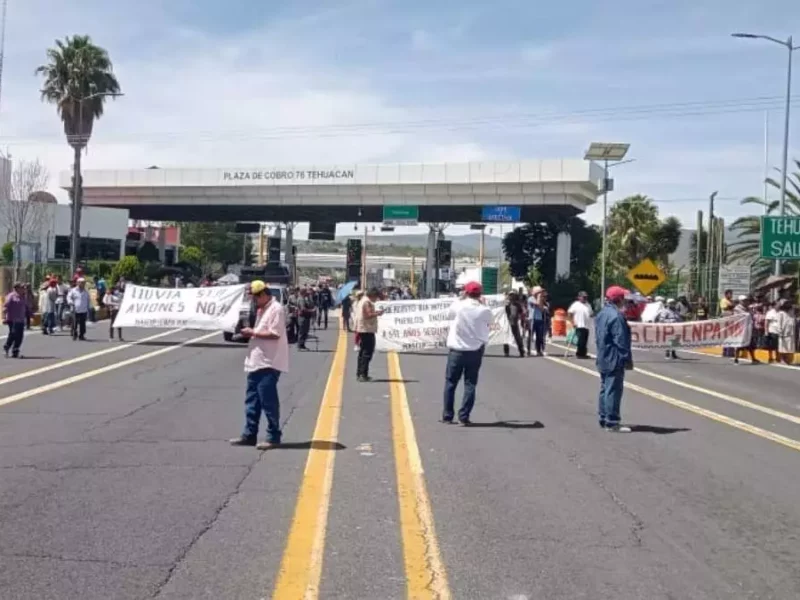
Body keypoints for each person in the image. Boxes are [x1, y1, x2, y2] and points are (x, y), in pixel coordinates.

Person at [230, 280, 289, 450]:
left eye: (255, 298)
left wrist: (253, 332)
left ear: (263, 294)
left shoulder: (276, 309)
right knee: (252, 401)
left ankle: (273, 436)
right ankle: (249, 434)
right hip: (256, 361)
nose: (253, 302)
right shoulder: (262, 309)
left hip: (269, 363)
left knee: (268, 402)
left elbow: (275, 334)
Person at [442, 281, 492, 425]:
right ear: (480, 294)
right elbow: (490, 320)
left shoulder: (459, 306)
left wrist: (460, 298)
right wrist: (483, 304)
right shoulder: (484, 310)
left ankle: (448, 415)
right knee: (470, 384)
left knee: (451, 383)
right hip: (475, 350)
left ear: (466, 292)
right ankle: (464, 416)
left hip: (457, 350)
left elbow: (448, 314)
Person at [595, 286, 634, 433]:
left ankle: (604, 417)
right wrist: (627, 359)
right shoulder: (616, 317)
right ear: (619, 299)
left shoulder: (602, 314)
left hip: (603, 356)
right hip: (614, 357)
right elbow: (621, 341)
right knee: (613, 390)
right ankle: (612, 422)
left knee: (605, 388)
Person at [355, 288, 383, 382]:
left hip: (364, 329)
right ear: (373, 295)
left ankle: (361, 373)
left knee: (362, 352)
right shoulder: (367, 302)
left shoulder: (362, 300)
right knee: (367, 352)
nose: (376, 300)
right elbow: (368, 315)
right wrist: (378, 313)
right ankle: (363, 374)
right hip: (366, 329)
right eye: (376, 297)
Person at [3, 282, 28, 358]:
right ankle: (7, 346)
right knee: (14, 334)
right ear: (16, 288)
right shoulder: (11, 296)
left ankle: (15, 351)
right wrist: (4, 317)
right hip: (12, 319)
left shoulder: (23, 296)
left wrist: (29, 314)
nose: (23, 289)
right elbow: (5, 307)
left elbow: (25, 307)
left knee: (20, 336)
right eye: (21, 288)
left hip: (21, 319)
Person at [568, 291, 593, 359]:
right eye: (583, 297)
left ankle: (583, 353)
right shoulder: (576, 304)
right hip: (579, 324)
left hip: (586, 325)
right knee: (581, 341)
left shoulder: (588, 305)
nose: (585, 298)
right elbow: (570, 313)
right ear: (579, 297)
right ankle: (579, 354)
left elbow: (591, 313)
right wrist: (573, 322)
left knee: (585, 340)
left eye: (586, 297)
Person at [733, 296, 759, 364]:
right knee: (739, 343)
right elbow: (738, 317)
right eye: (744, 300)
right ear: (740, 301)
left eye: (746, 300)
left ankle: (753, 358)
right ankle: (736, 358)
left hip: (749, 327)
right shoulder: (737, 309)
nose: (745, 302)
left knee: (750, 344)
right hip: (741, 328)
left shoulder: (748, 308)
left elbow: (752, 315)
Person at [527, 288, 550, 356]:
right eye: (539, 292)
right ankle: (528, 350)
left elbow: (542, 309)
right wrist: (539, 298)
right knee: (530, 335)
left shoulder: (541, 299)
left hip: (539, 319)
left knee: (539, 336)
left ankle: (539, 350)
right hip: (532, 318)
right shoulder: (531, 298)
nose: (541, 293)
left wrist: (542, 303)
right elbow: (537, 304)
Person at [502, 292, 525, 358]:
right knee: (505, 338)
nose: (512, 297)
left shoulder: (518, 305)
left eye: (513, 295)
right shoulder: (506, 305)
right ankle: (506, 352)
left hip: (515, 323)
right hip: (506, 323)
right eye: (510, 295)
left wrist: (523, 319)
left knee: (518, 338)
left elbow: (522, 312)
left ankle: (521, 352)